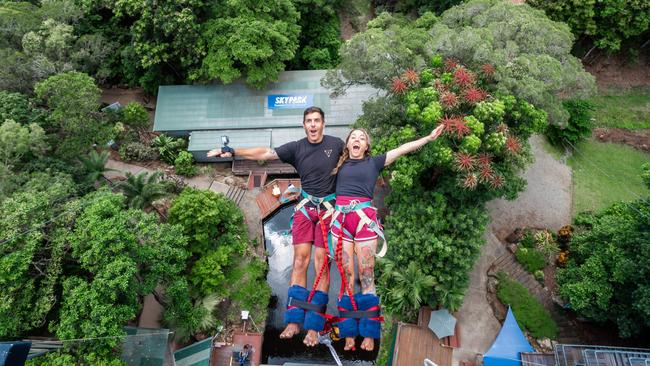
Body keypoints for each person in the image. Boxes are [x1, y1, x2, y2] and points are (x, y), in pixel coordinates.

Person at [207, 106, 344, 347]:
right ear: (304, 125)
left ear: (323, 124)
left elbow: (357, 161)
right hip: (306, 208)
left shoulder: (337, 143)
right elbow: (265, 153)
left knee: (322, 265)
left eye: (317, 121)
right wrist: (232, 150)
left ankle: (313, 326)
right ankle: (293, 320)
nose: (313, 125)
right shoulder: (297, 147)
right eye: (309, 121)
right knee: (300, 261)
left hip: (328, 210)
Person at [330, 125, 445, 352]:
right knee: (346, 277)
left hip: (363, 220)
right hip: (340, 221)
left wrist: (428, 138)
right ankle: (349, 332)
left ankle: (369, 332)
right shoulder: (339, 164)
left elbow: (402, 149)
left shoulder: (374, 162)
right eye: (353, 137)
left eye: (361, 138)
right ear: (348, 144)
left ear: (366, 146)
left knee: (366, 276)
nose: (357, 140)